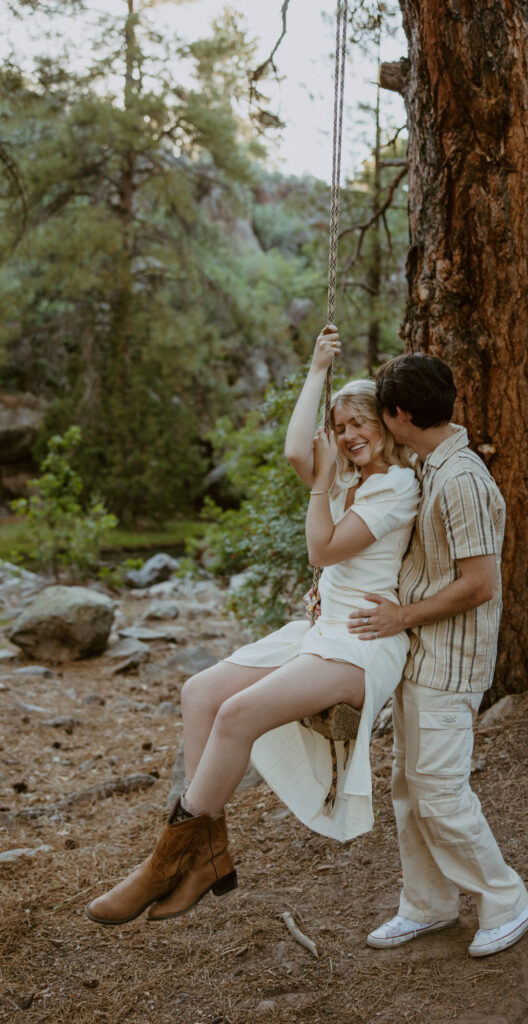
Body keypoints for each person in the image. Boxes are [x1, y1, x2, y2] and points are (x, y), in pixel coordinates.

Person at [85, 326, 420, 926]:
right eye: (339, 427)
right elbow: (296, 451)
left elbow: (323, 551)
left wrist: (321, 485)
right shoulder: (346, 475)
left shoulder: (396, 486)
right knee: (201, 693)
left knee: (237, 715)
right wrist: (317, 370)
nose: (347, 437)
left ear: (385, 425)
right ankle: (210, 853)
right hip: (322, 632)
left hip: (364, 642)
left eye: (359, 424)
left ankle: (162, 866)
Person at [347, 352, 528, 958]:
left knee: (440, 793)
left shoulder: (461, 480)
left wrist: (399, 616)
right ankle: (427, 905)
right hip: (416, 657)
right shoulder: (429, 467)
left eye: (383, 413)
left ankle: (507, 900)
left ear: (402, 415)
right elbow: (418, 562)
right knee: (409, 788)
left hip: (449, 665)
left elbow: (479, 583)